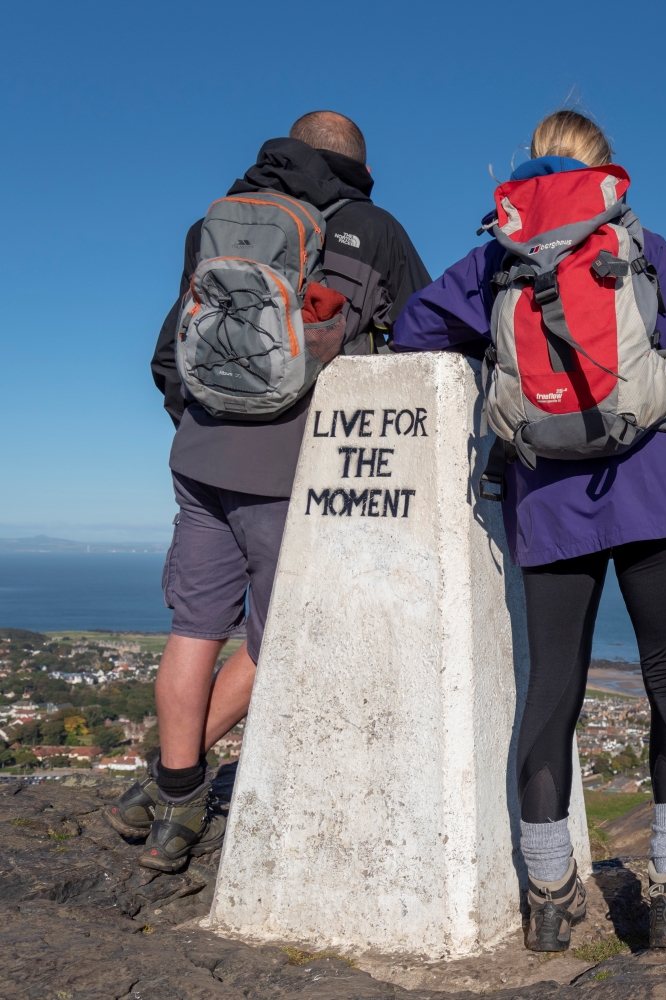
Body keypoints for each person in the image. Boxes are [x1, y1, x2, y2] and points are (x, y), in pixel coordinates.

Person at [391, 109, 666, 951]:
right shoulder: (639, 246)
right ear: (605, 169)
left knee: (552, 688)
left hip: (545, 504)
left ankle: (550, 899)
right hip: (654, 494)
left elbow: (413, 329)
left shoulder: (495, 258)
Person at [107, 112, 431, 872]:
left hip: (198, 460)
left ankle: (174, 790)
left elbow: (168, 358)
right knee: (280, 636)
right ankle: (176, 801)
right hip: (293, 470)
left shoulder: (213, 225)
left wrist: (207, 427)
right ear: (364, 171)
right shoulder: (374, 228)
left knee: (194, 629)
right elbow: (429, 338)